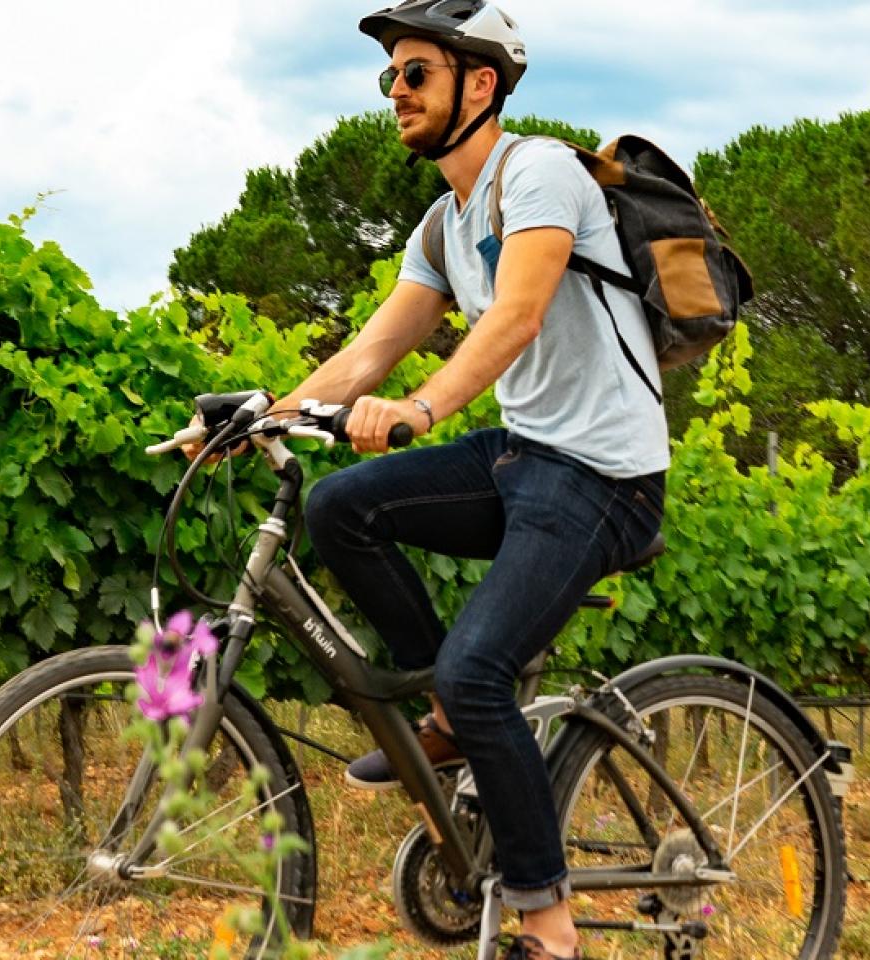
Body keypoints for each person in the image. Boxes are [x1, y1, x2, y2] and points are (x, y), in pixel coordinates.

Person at [274, 3, 668, 957]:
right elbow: (372, 349)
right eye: (391, 78)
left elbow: (518, 314)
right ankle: (449, 718)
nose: (396, 93)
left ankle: (549, 926)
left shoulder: (539, 172)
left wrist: (424, 407)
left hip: (604, 476)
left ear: (480, 83)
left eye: (417, 73)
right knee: (339, 506)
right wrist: (264, 417)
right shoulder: (444, 223)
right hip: (527, 455)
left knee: (479, 667)